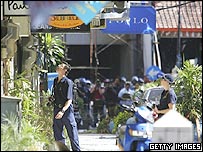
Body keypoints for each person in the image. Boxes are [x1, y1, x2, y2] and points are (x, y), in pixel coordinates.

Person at [51, 62, 80, 151]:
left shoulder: (68, 82)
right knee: (58, 133)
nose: (59, 66)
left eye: (61, 66)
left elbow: (69, 99)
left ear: (65, 70)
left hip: (66, 111)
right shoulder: (56, 80)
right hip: (57, 109)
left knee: (72, 133)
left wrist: (62, 111)